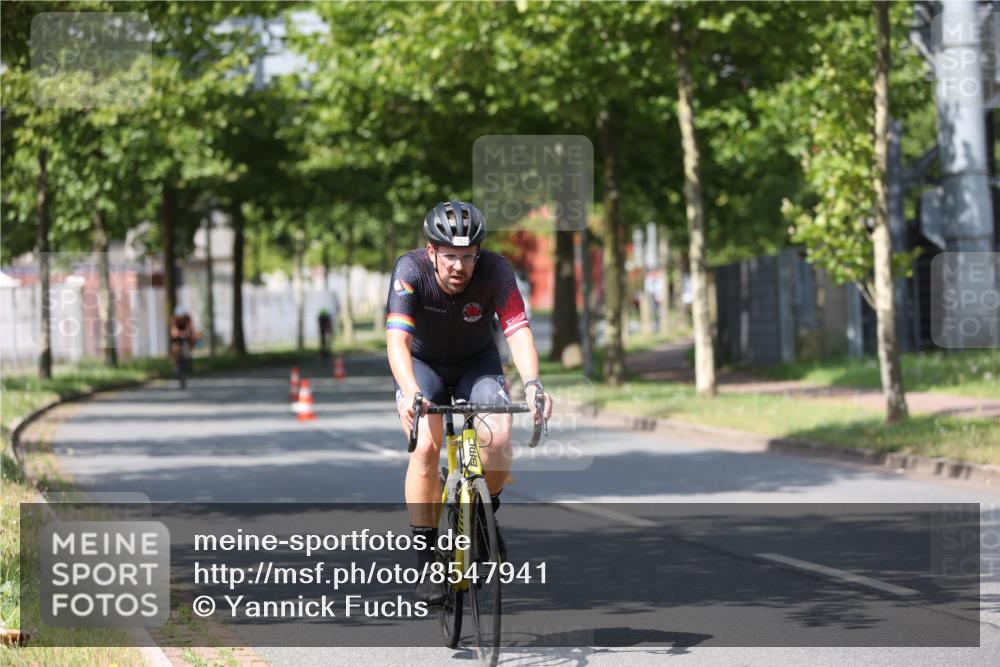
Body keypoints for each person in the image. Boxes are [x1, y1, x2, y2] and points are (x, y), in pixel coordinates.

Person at [385, 201, 553, 605]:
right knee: (425, 446)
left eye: (467, 257)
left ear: (478, 253)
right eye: (449, 257)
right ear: (431, 253)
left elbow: (518, 331)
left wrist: (533, 384)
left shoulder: (496, 271)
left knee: (498, 437)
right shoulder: (410, 271)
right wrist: (410, 391)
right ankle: (427, 559)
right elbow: (398, 340)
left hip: (476, 364)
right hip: (422, 366)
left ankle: (482, 518)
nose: (459, 267)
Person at [169, 306, 197, 385]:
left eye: (183, 317)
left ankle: (189, 356)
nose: (181, 319)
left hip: (186, 336)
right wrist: (178, 334)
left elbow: (190, 329)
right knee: (175, 348)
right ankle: (175, 365)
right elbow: (173, 332)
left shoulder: (188, 319)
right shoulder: (174, 320)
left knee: (192, 340)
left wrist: (189, 335)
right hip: (177, 338)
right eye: (179, 317)